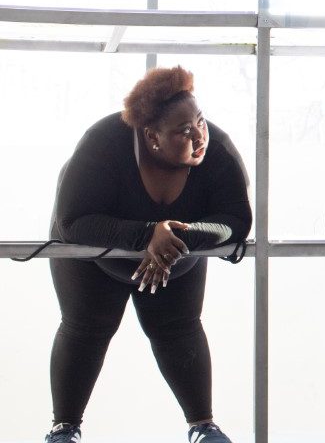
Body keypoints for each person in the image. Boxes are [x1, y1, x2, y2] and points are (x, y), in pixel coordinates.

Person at [44, 66, 252, 443]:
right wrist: (146, 235)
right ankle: (64, 429)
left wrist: (177, 237)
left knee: (178, 329)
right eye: (183, 131)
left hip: (177, 256)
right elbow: (73, 218)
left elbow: (237, 219)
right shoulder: (103, 142)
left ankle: (203, 428)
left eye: (200, 122)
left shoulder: (216, 148)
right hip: (93, 255)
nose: (198, 135)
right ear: (152, 137)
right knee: (87, 328)